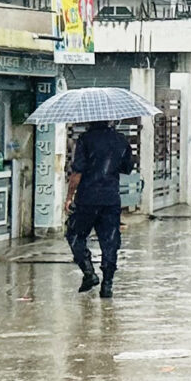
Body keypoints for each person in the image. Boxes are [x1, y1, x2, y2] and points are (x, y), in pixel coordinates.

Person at [63, 121, 135, 299]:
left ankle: (89, 272)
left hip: (87, 199)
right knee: (110, 242)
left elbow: (77, 172)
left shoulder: (85, 140)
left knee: (74, 234)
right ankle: (107, 285)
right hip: (111, 199)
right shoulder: (120, 140)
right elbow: (127, 168)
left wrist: (69, 197)